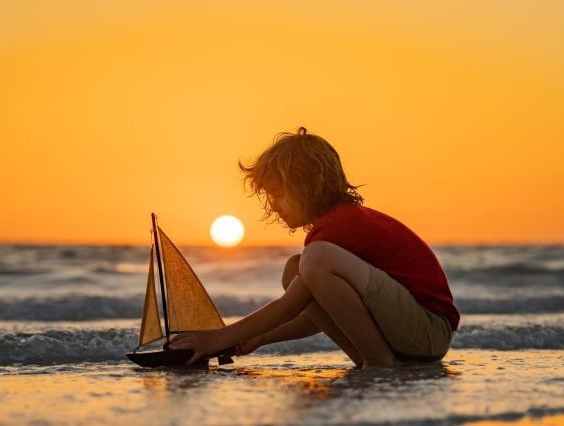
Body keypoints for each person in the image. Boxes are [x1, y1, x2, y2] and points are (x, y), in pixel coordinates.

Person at [170, 127, 460, 368]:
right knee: (295, 269)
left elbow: (288, 306)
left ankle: (378, 362)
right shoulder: (331, 233)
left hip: (429, 330)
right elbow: (320, 316)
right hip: (415, 337)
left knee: (313, 260)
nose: (273, 205)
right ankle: (372, 359)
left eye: (279, 193)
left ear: (309, 186)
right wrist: (258, 339)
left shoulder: (340, 228)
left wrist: (218, 338)